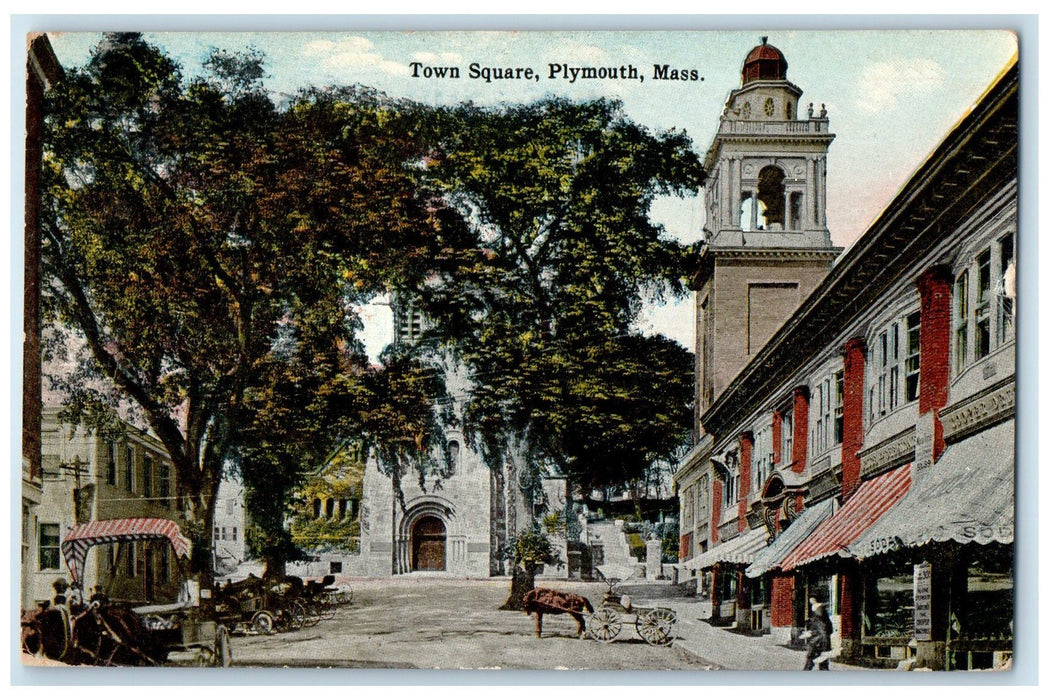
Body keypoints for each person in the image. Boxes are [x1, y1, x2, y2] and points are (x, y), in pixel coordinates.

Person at [800, 597, 833, 670]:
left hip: (820, 642)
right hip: (819, 642)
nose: (820, 610)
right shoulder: (817, 620)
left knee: (818, 662)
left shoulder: (822, 620)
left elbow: (828, 630)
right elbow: (829, 630)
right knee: (815, 661)